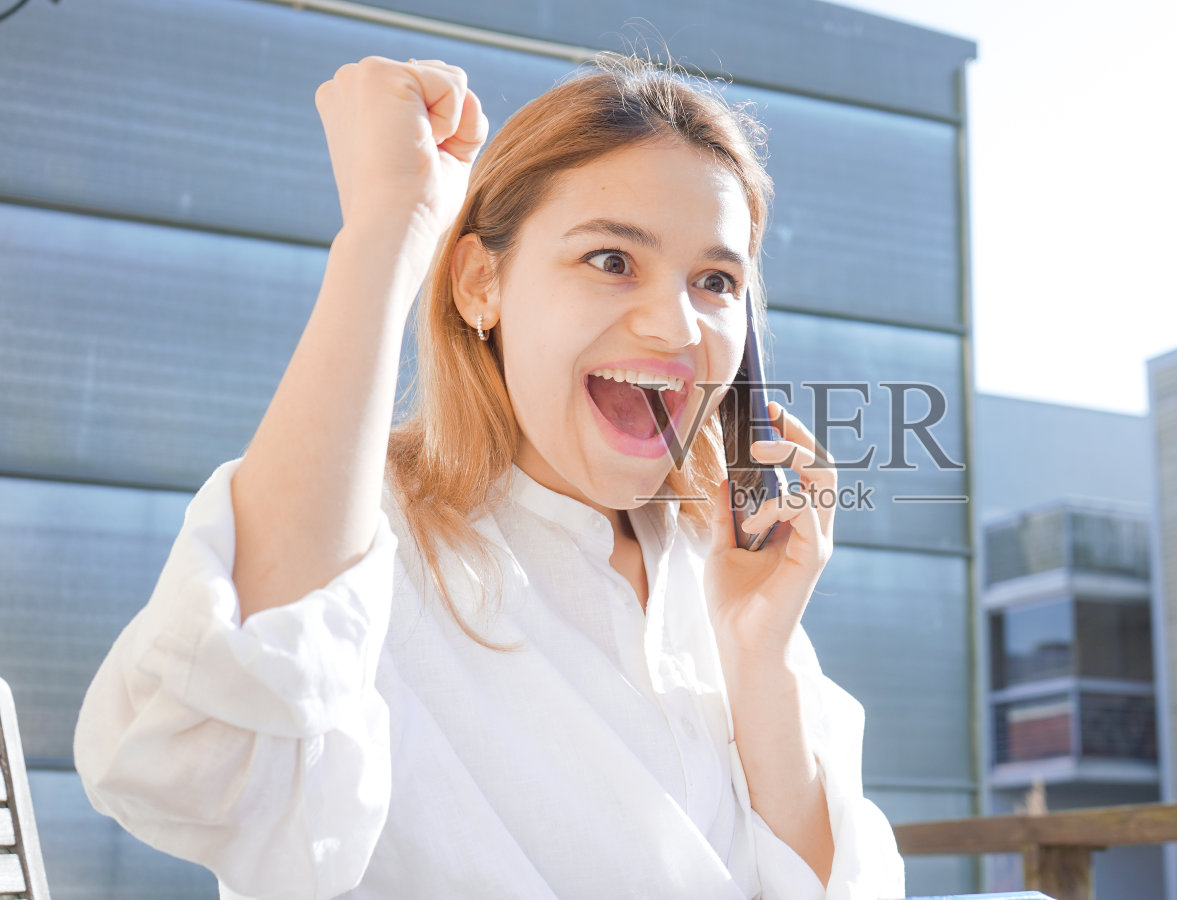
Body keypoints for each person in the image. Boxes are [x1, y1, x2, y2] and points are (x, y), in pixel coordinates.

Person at [73, 53, 905, 900]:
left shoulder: (714, 562)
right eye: (611, 260)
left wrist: (759, 657)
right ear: (480, 282)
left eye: (716, 281)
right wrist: (386, 235)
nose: (677, 326)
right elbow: (201, 763)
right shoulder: (356, 530)